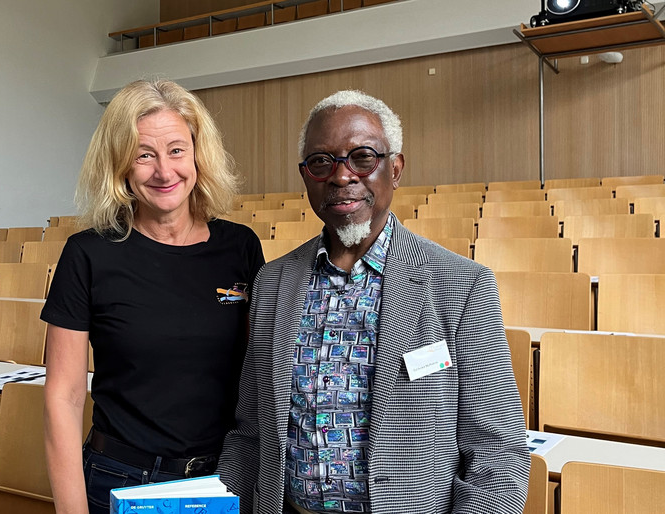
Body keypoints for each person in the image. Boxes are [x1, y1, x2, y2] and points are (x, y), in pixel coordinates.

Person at [217, 90, 529, 514]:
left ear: (395, 168)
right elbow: (250, 434)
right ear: (306, 175)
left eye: (362, 157)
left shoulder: (461, 285)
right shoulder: (272, 282)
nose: (342, 176)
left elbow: (497, 452)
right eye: (321, 162)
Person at [42, 79, 264, 514]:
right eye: (144, 155)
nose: (164, 171)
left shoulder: (240, 248)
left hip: (223, 481)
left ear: (199, 154)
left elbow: (259, 376)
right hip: (118, 481)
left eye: (177, 150)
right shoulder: (87, 253)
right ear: (121, 165)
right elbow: (63, 396)